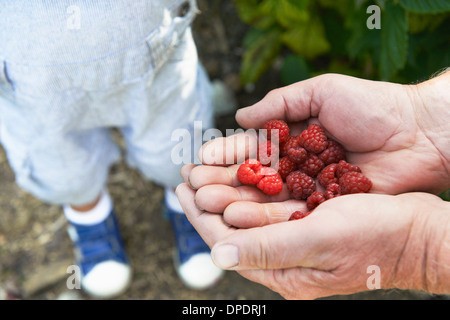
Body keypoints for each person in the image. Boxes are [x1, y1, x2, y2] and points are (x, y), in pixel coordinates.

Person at [0, 0, 224, 298]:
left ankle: (186, 202)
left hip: (148, 45)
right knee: (61, 166)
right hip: (27, 74)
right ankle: (88, 214)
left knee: (176, 145)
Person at [176, 70, 450, 299]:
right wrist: (422, 116)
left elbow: (312, 170)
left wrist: (416, 246)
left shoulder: (314, 164)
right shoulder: (298, 159)